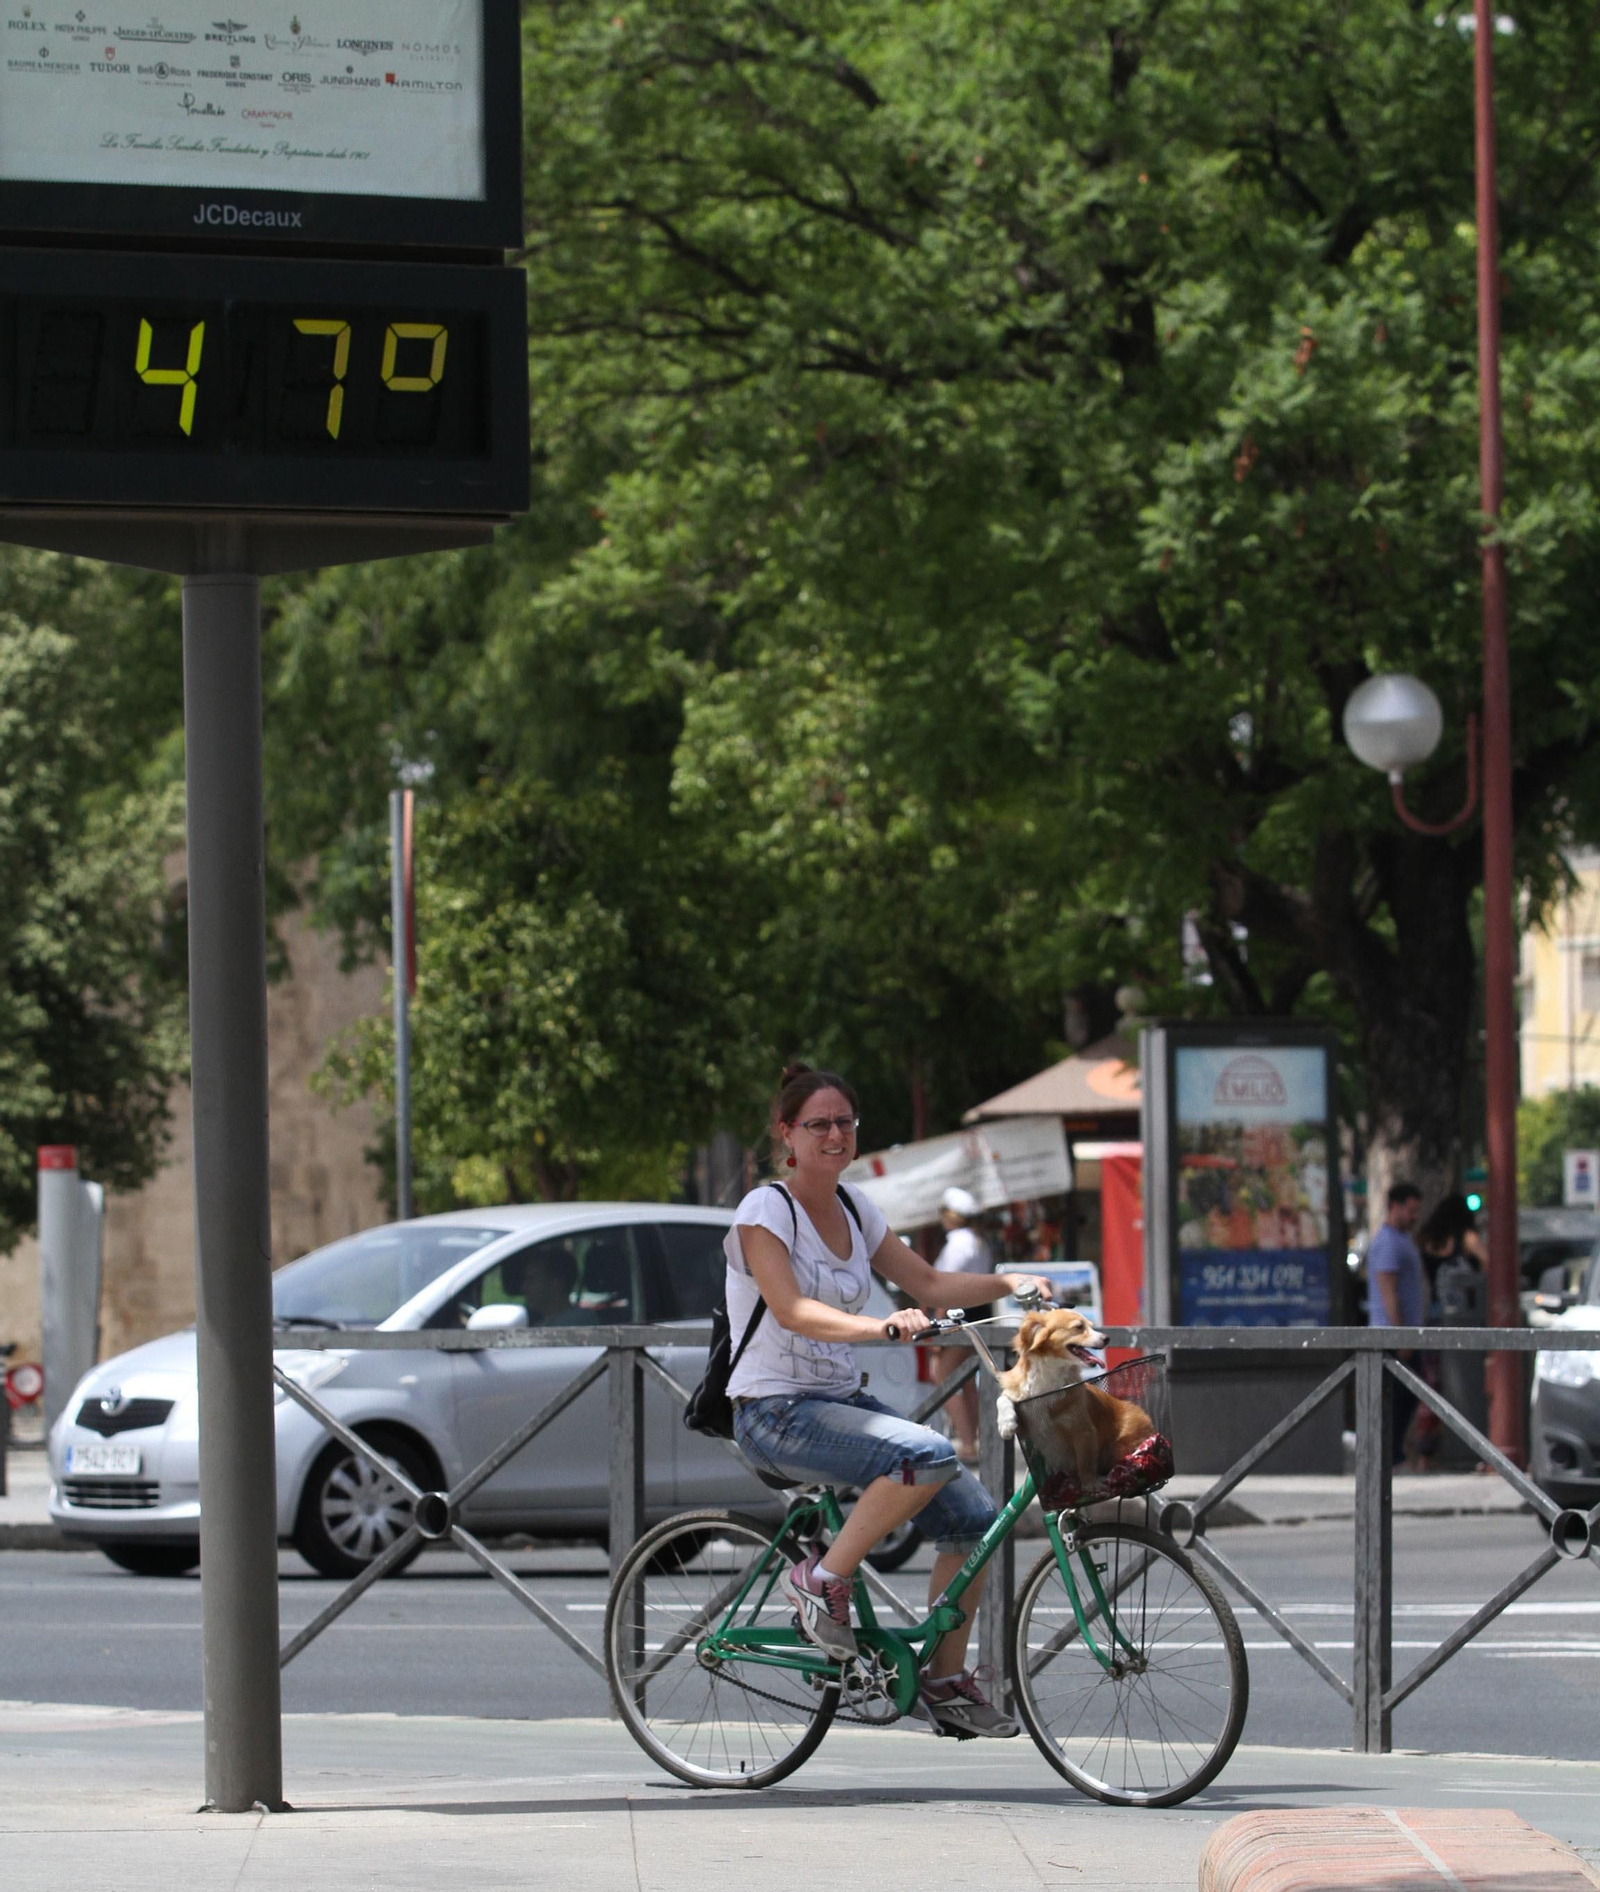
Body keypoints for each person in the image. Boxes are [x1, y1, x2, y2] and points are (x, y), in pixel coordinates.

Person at [726, 1063, 1056, 1739]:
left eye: (845, 1122)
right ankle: (821, 1580)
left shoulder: (855, 1208)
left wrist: (1009, 1281)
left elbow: (928, 1282)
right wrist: (881, 1326)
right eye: (818, 1124)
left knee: (974, 1521)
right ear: (787, 1133)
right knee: (926, 1452)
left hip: (836, 1403)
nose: (835, 1135)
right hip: (773, 1412)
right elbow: (790, 1310)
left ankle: (944, 1682)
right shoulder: (766, 1210)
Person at [1366, 1181, 1426, 1468]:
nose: (1415, 1217)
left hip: (1402, 1334)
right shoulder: (1388, 1242)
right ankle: (1386, 1455)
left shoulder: (1401, 1240)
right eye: (1411, 1211)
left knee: (1405, 1397)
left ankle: (1391, 1453)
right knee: (1398, 1398)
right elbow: (1387, 1290)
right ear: (1395, 1207)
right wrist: (1400, 1335)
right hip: (1392, 1336)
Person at [930, 1186, 992, 1464]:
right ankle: (974, 1441)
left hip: (956, 1315)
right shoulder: (979, 1243)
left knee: (943, 1376)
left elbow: (944, 1287)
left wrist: (937, 1324)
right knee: (966, 1381)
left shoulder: (956, 1244)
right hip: (976, 1314)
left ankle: (968, 1442)